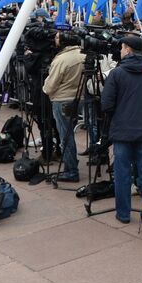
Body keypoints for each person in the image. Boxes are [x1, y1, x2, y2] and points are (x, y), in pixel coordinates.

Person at [101, 34, 142, 224]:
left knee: (122, 174)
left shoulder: (117, 74)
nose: (120, 51)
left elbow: (106, 104)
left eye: (122, 48)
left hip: (122, 132)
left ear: (127, 49)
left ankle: (124, 213)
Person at [42, 31, 85, 182]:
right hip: (78, 99)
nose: (55, 40)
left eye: (58, 37)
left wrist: (45, 88)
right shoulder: (83, 55)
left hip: (62, 100)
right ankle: (71, 165)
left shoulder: (61, 60)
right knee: (68, 134)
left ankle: (71, 170)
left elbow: (50, 86)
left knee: (65, 136)